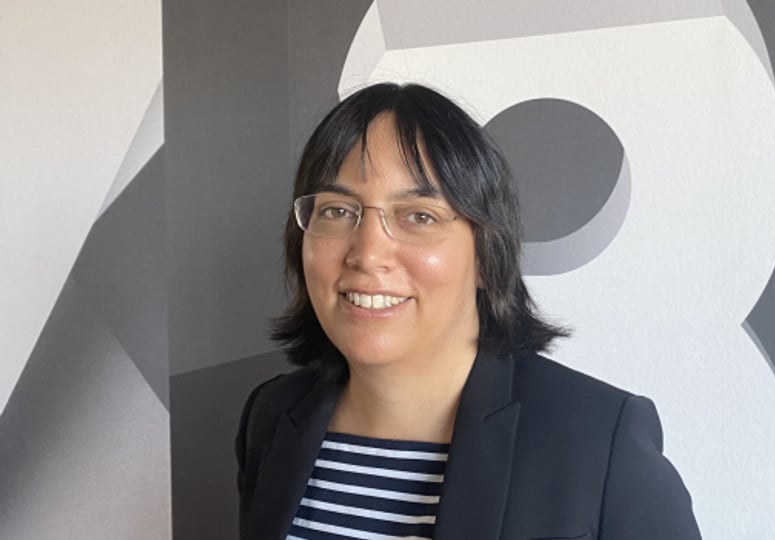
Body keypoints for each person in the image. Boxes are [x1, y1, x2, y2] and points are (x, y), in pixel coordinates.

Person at [235, 82, 701, 540]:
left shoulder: (601, 442)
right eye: (337, 211)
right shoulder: (271, 416)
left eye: (419, 216)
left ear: (485, 254)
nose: (368, 254)